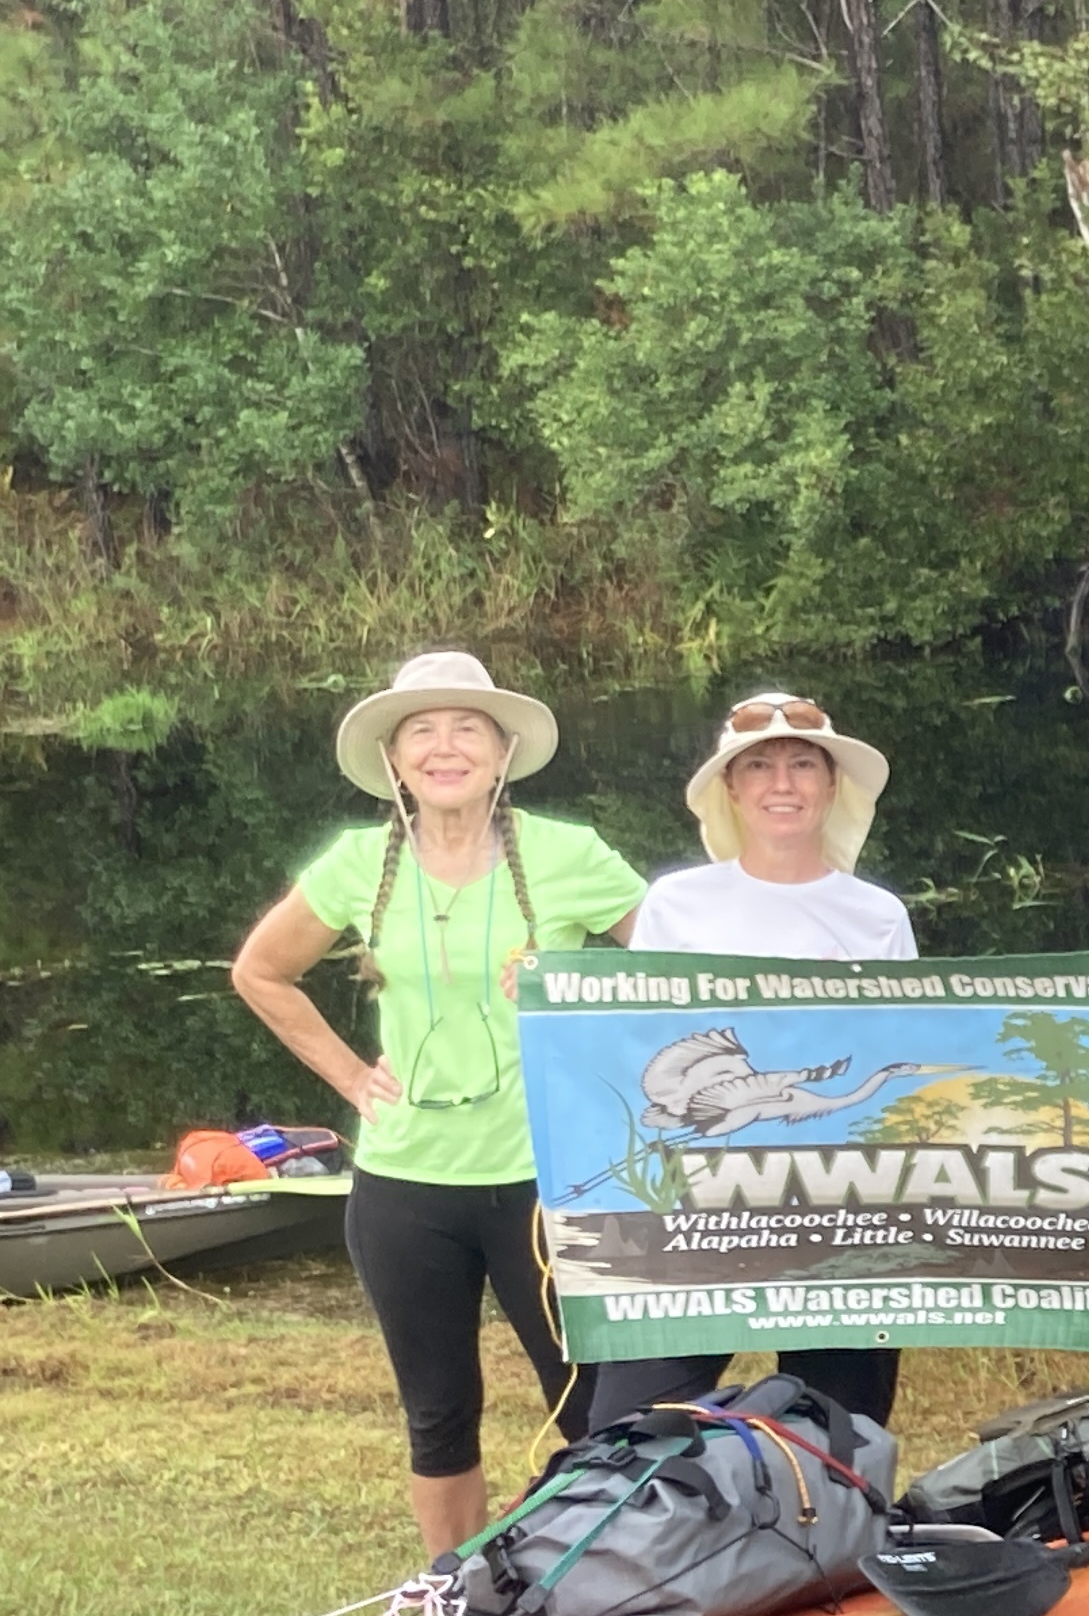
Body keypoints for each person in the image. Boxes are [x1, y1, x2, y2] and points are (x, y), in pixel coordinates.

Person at [228, 653, 645, 1558]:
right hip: (405, 1190)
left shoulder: (570, 854)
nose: (445, 747)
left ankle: (604, 1591)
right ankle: (458, 1599)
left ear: (502, 753)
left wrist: (570, 978)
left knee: (594, 1407)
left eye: (467, 728)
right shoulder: (355, 864)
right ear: (393, 758)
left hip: (550, 1179)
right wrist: (349, 1079)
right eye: (422, 730)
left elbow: (672, 975)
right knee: (439, 1415)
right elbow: (261, 972)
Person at [588, 691, 917, 1433]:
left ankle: (829, 1543)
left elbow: (899, 1053)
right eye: (759, 766)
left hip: (837, 1207)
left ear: (832, 785)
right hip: (699, 1204)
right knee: (629, 1423)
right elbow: (633, 1047)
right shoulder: (677, 904)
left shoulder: (878, 914)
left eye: (803, 764)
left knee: (844, 1427)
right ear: (730, 789)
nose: (782, 783)